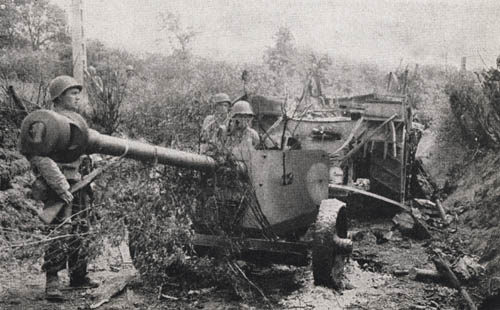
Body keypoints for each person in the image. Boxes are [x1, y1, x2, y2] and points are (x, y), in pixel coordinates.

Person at [26, 76, 98, 301]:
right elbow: (39, 158)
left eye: (78, 93)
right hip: (56, 185)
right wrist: (61, 186)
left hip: (79, 181)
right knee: (58, 231)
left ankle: (78, 275)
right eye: (72, 93)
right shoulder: (43, 122)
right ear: (58, 97)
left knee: (81, 227)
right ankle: (53, 281)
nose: (77, 97)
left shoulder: (76, 120)